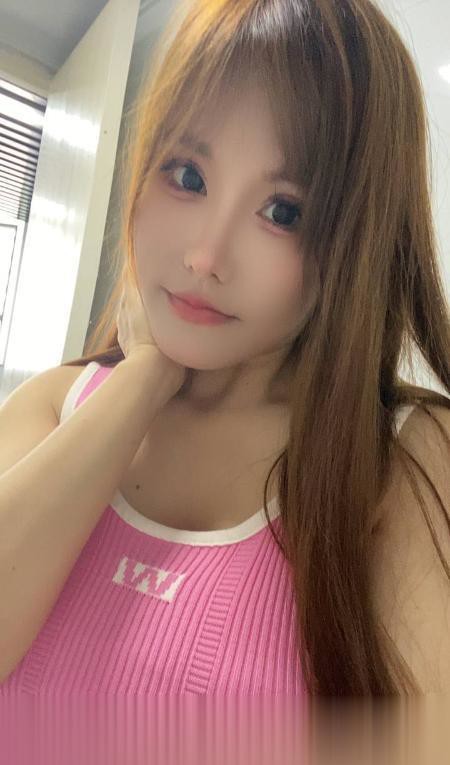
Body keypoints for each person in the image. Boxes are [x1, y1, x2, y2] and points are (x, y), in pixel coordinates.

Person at [0, 0, 449, 698]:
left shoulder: (405, 456)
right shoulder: (57, 405)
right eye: (187, 175)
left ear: (355, 245)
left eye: (283, 212)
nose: (205, 257)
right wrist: (144, 378)